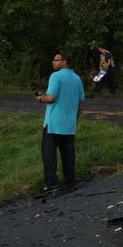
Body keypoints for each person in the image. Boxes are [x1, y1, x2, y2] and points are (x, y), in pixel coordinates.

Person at [36, 51, 85, 193]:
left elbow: (51, 98)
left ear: (64, 62)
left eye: (57, 60)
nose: (53, 62)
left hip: (53, 123)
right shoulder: (76, 78)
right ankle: (70, 182)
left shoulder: (55, 76)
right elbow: (81, 101)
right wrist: (76, 116)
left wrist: (40, 98)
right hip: (69, 124)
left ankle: (51, 184)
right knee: (68, 155)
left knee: (49, 155)